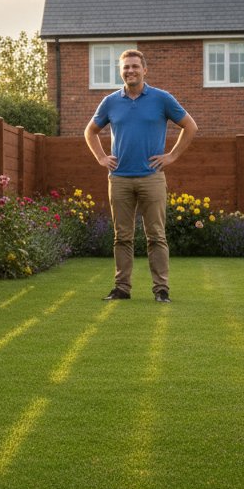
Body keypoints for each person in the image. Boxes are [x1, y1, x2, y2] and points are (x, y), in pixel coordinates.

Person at [83, 49, 198, 303]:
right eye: (126, 67)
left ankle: (161, 290)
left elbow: (190, 126)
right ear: (120, 71)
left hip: (152, 178)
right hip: (120, 178)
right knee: (121, 237)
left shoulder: (162, 99)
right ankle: (122, 288)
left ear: (145, 70)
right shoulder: (110, 102)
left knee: (156, 236)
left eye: (135, 66)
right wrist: (101, 158)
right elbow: (90, 131)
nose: (130, 71)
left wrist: (172, 156)